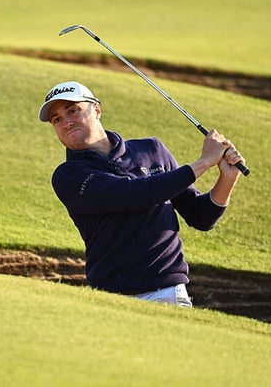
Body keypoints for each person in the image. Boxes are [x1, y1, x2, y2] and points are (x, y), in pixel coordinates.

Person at [39, 81, 245, 307]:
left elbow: (201, 216)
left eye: (73, 110)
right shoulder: (69, 176)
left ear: (97, 110)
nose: (66, 122)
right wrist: (204, 162)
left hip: (168, 292)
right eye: (56, 119)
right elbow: (132, 195)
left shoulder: (151, 150)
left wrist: (228, 177)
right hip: (110, 299)